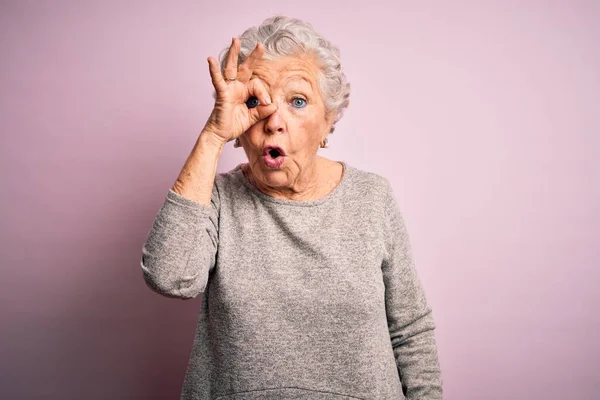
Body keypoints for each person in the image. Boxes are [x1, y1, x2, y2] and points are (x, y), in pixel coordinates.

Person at [141, 15, 442, 400]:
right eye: (255, 101)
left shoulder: (372, 197)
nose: (274, 121)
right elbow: (169, 277)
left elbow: (411, 329)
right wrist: (213, 135)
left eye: (298, 101)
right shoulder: (215, 199)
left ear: (327, 121)